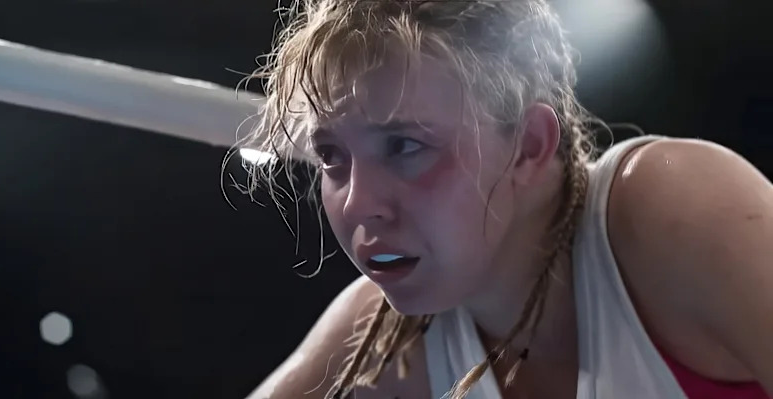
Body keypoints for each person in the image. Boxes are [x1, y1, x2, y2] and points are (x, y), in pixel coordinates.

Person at [238, 0, 773, 398]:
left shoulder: (672, 211)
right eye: (332, 156)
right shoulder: (390, 343)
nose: (357, 205)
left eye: (403, 146)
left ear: (530, 146)